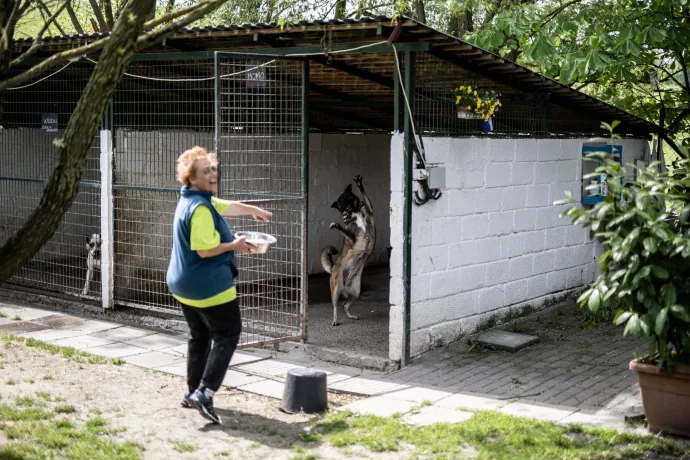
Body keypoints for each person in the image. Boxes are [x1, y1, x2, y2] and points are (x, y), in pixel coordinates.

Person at [166, 146, 272, 424]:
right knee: (228, 332)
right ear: (191, 178)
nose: (213, 174)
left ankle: (192, 392)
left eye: (213, 168)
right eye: (205, 171)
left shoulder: (193, 199)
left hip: (183, 285)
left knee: (199, 336)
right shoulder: (200, 209)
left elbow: (226, 205)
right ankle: (206, 393)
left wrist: (252, 210)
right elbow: (204, 249)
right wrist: (235, 245)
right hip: (207, 286)